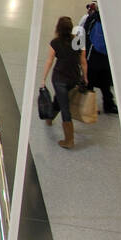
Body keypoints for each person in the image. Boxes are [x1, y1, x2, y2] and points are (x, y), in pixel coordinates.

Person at [41, 16, 88, 150]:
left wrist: (43, 78)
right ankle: (50, 117)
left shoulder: (55, 42)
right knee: (61, 99)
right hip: (73, 78)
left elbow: (50, 61)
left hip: (59, 78)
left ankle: (69, 140)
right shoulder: (78, 41)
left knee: (64, 106)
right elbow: (83, 62)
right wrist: (85, 77)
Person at [83, 0, 118, 114]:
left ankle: (93, 105)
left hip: (94, 57)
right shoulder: (103, 21)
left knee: (94, 82)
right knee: (103, 83)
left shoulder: (93, 19)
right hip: (99, 57)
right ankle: (104, 105)